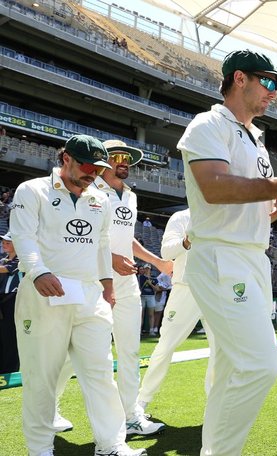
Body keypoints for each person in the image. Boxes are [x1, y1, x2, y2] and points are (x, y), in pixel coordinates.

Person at [176, 49, 277, 455]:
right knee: (260, 365)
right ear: (239, 78)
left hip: (251, 257)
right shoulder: (208, 124)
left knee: (230, 367)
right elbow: (215, 187)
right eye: (269, 82)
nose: (275, 92)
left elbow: (252, 198)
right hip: (222, 256)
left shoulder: (255, 139)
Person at [10, 134, 145, 456]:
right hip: (44, 294)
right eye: (87, 166)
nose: (92, 175)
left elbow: (101, 246)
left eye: (98, 170)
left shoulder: (99, 199)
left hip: (89, 295)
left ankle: (111, 445)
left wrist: (107, 287)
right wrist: (38, 271)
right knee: (42, 376)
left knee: (100, 373)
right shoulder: (32, 190)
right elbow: (23, 237)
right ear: (65, 159)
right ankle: (40, 449)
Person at [56, 139, 171, 437]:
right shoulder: (89, 190)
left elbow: (126, 239)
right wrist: (111, 258)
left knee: (130, 350)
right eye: (117, 157)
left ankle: (131, 416)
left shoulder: (129, 195)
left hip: (125, 280)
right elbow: (78, 235)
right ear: (104, 163)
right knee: (75, 352)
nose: (124, 162)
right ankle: (49, 408)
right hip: (92, 277)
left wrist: (157, 261)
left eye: (128, 159)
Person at [136, 209, 215, 416]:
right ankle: (141, 403)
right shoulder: (182, 217)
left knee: (221, 351)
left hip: (218, 292)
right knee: (165, 347)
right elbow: (166, 253)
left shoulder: (225, 215)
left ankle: (215, 407)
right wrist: (187, 241)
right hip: (186, 288)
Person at [0, 233, 21, 374]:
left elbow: (7, 269)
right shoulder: (3, 259)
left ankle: (11, 368)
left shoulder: (21, 259)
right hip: (2, 300)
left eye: (8, 242)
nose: (4, 244)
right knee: (2, 334)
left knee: (11, 334)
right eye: (3, 242)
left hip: (14, 299)